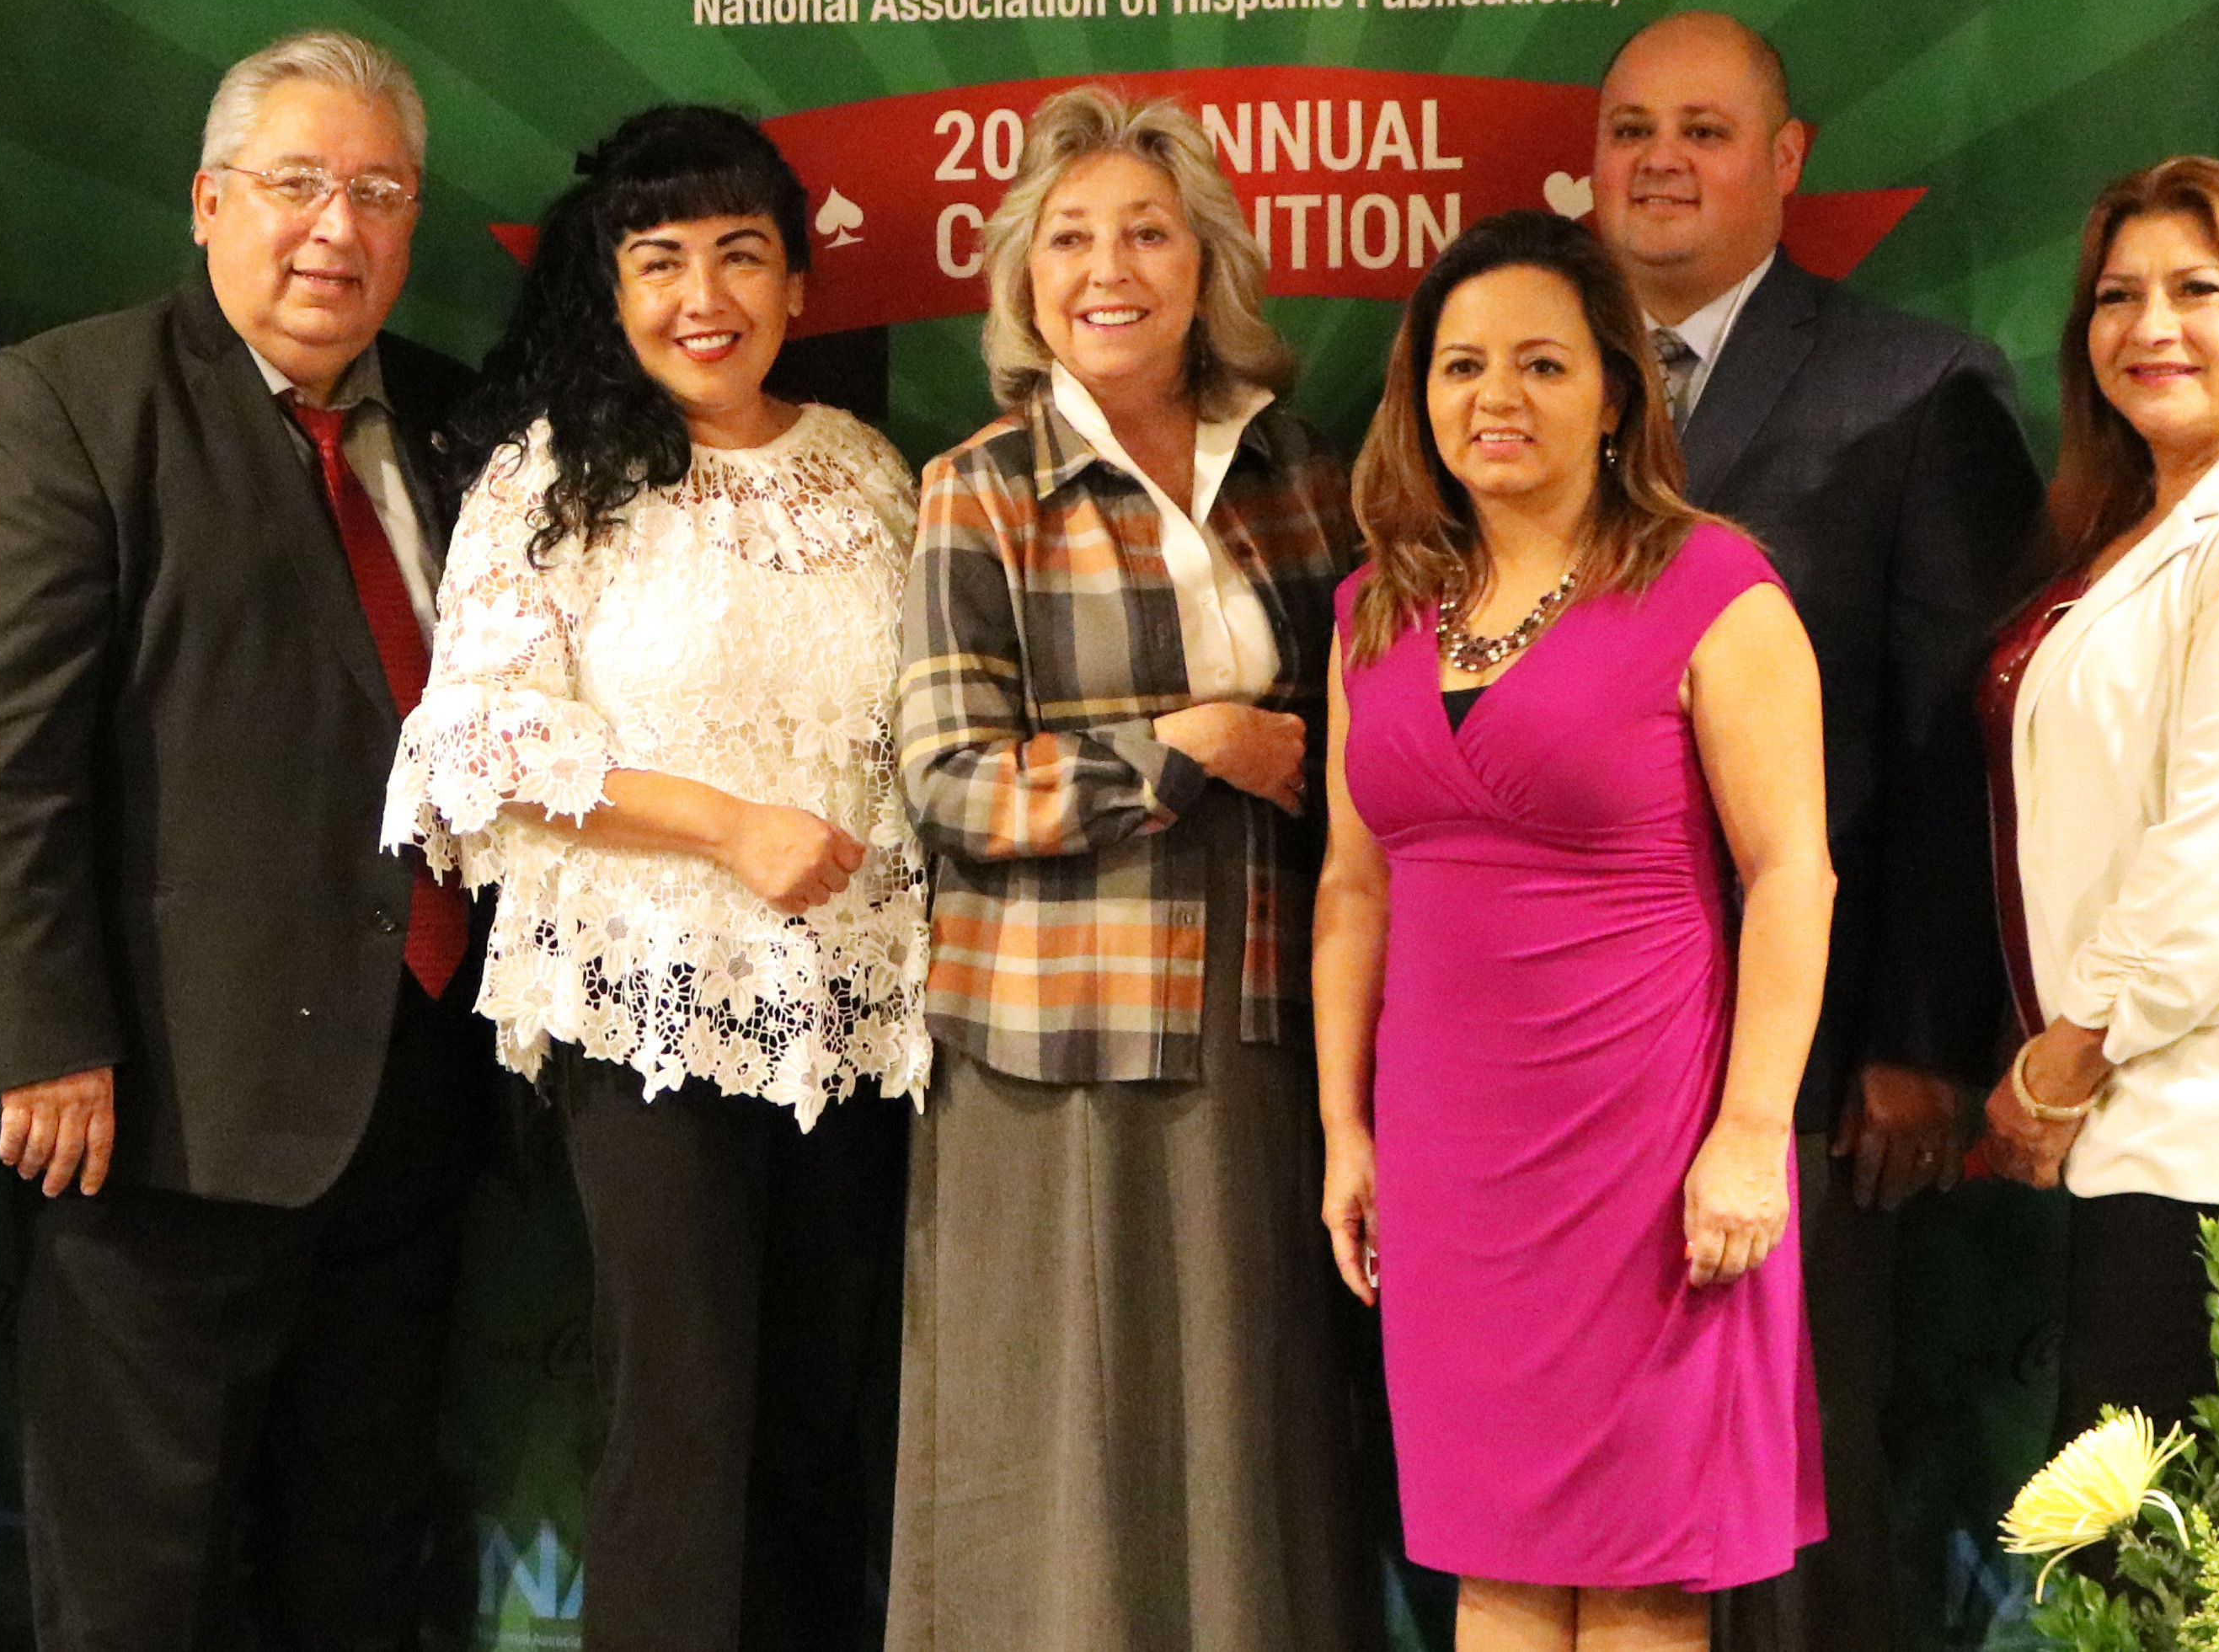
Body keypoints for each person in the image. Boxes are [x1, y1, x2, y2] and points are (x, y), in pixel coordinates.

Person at [0, 28, 487, 1652]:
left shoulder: (447, 427)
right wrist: (44, 1044)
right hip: (153, 1111)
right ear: (207, 201)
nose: (336, 228)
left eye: (377, 192)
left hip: (410, 1098)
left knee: (359, 1555)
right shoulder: (66, 405)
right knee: (136, 1580)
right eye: (296, 183)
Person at [383, 103, 923, 1652]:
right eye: (661, 261)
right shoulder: (558, 478)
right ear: (610, 295)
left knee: (822, 1419)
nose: (706, 297)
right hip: (654, 1010)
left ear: (800, 285)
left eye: (741, 255)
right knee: (684, 1418)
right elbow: (468, 748)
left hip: (862, 1023)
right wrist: (721, 824)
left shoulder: (869, 473)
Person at [885, 86, 1378, 1652]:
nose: (1111, 269)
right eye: (1072, 237)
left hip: (1267, 1021)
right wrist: (1182, 750)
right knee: (1059, 1447)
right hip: (1052, 1039)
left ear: (1207, 262)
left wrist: (1280, 745)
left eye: (1148, 234)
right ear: (1025, 275)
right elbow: (948, 778)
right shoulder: (980, 484)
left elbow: (1364, 734)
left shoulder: (1303, 468)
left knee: (1251, 1434)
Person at [1317, 207, 1835, 1650]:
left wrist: (1748, 1136)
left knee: (1640, 1570)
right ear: (1418, 397)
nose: (1496, 399)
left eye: (1542, 364)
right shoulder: (1374, 611)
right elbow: (1355, 891)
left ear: (1617, 390)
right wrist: (1344, 1135)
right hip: (1450, 1159)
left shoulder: (1714, 586)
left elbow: (1795, 875)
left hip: (1650, 1146)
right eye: (1461, 365)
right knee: (1493, 1561)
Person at [1586, 11, 2039, 1652]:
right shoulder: (1512, 387)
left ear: (1787, 160)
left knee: (1794, 1484)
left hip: (1813, 1050)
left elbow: (1955, 741)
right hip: (1569, 1056)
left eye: (1705, 128)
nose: (1661, 159)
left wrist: (1921, 1036)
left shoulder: (1913, 382)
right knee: (1604, 1499)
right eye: (1632, 125)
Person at [1976, 158, 2219, 1436]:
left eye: (2198, 290)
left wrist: (2059, 1067)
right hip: (2160, 1133)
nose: (2150, 327)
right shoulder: (2137, 527)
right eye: (2116, 295)